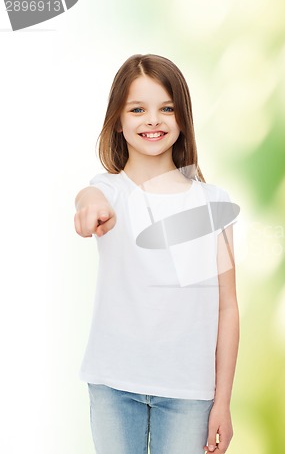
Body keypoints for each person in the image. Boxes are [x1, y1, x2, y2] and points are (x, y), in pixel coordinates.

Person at [74, 54, 239, 454]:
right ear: (118, 119)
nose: (153, 120)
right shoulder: (108, 192)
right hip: (114, 385)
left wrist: (223, 402)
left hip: (189, 393)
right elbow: (88, 199)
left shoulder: (212, 203)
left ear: (183, 118)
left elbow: (227, 308)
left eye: (166, 108)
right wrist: (90, 209)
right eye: (138, 109)